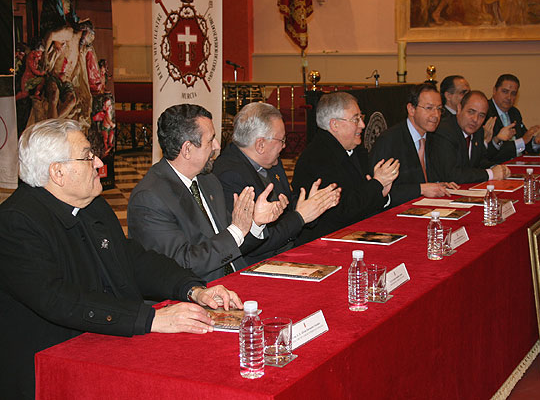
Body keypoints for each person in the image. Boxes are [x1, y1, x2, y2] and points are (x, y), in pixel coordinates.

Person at [0, 119, 243, 399]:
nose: (98, 163)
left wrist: (192, 289)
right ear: (58, 172)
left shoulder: (92, 206)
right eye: (88, 156)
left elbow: (133, 260)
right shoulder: (16, 223)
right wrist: (150, 318)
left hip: (104, 345)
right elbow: (57, 299)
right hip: (49, 369)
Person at [128, 104, 287, 282]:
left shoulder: (208, 180)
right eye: (211, 140)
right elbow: (183, 263)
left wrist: (255, 222)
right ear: (187, 149)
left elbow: (230, 245)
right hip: (196, 290)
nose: (217, 146)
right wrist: (237, 229)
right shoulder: (150, 198)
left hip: (237, 279)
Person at [213, 102, 340, 265]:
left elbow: (287, 203)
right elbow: (252, 242)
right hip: (258, 263)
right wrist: (301, 216)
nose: (284, 145)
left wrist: (313, 204)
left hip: (288, 250)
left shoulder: (271, 162)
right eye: (282, 140)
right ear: (260, 145)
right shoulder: (228, 175)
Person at [292, 92, 400, 245]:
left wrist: (381, 193)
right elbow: (342, 211)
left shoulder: (356, 151)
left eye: (361, 117)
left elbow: (362, 200)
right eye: (356, 119)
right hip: (325, 244)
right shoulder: (317, 158)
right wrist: (377, 184)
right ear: (334, 124)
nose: (362, 125)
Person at [370, 83, 458, 206]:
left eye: (439, 109)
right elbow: (378, 191)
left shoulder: (433, 137)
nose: (436, 115)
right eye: (429, 108)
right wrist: (421, 189)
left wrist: (438, 184)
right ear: (411, 109)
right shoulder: (389, 141)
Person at [430, 90, 511, 184]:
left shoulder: (478, 131)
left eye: (481, 115)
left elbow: (479, 162)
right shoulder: (444, 131)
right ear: (459, 108)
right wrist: (490, 174)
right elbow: (451, 174)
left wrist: (496, 168)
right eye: (471, 112)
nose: (475, 120)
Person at [485, 74, 540, 163]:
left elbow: (524, 143)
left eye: (513, 94)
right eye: (505, 91)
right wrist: (522, 141)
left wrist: (535, 141)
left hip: (517, 164)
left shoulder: (514, 112)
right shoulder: (484, 111)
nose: (509, 97)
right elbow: (491, 152)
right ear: (494, 90)